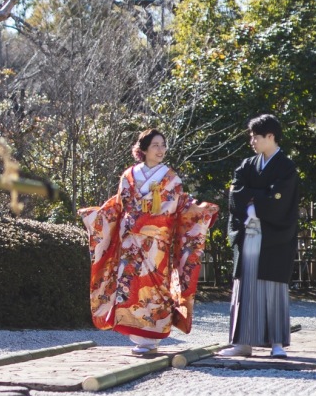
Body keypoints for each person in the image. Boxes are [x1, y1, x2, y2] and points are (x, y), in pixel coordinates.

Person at [79, 129, 218, 354]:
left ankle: (151, 338)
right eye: (155, 145)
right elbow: (119, 204)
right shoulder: (129, 175)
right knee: (130, 287)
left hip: (157, 243)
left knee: (156, 288)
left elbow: (181, 205)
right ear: (143, 149)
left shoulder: (171, 178)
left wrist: (200, 213)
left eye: (163, 145)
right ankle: (138, 336)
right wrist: (97, 216)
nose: (161, 149)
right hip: (130, 243)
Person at [223, 113, 300, 358]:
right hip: (249, 231)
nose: (252, 141)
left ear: (270, 136)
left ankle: (276, 342)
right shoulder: (247, 165)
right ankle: (242, 343)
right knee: (246, 287)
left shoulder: (286, 168)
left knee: (272, 287)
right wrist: (259, 196)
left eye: (256, 137)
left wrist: (254, 199)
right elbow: (236, 191)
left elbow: (280, 198)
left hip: (274, 236)